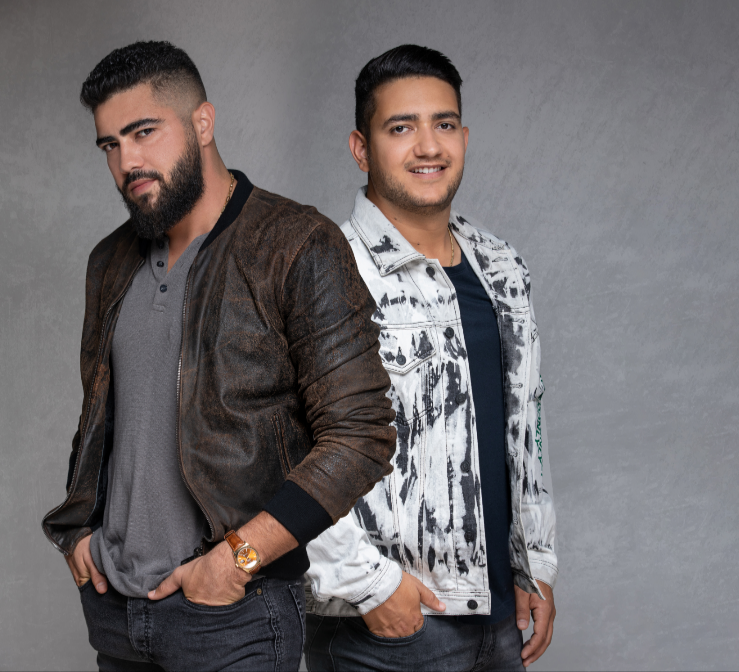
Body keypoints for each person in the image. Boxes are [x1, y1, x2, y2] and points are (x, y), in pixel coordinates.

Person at [41, 41, 396, 672]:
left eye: (144, 132)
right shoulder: (109, 262)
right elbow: (102, 418)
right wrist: (78, 534)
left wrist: (239, 559)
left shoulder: (296, 244)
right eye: (109, 145)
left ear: (203, 122)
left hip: (233, 616)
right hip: (117, 614)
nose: (127, 161)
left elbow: (361, 434)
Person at [304, 45, 558, 671]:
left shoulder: (502, 265)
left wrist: (535, 563)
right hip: (386, 630)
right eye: (401, 128)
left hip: (500, 618)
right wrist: (369, 586)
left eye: (443, 124)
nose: (428, 147)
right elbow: (285, 447)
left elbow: (526, 428)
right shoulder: (325, 269)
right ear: (361, 148)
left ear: (464, 138)